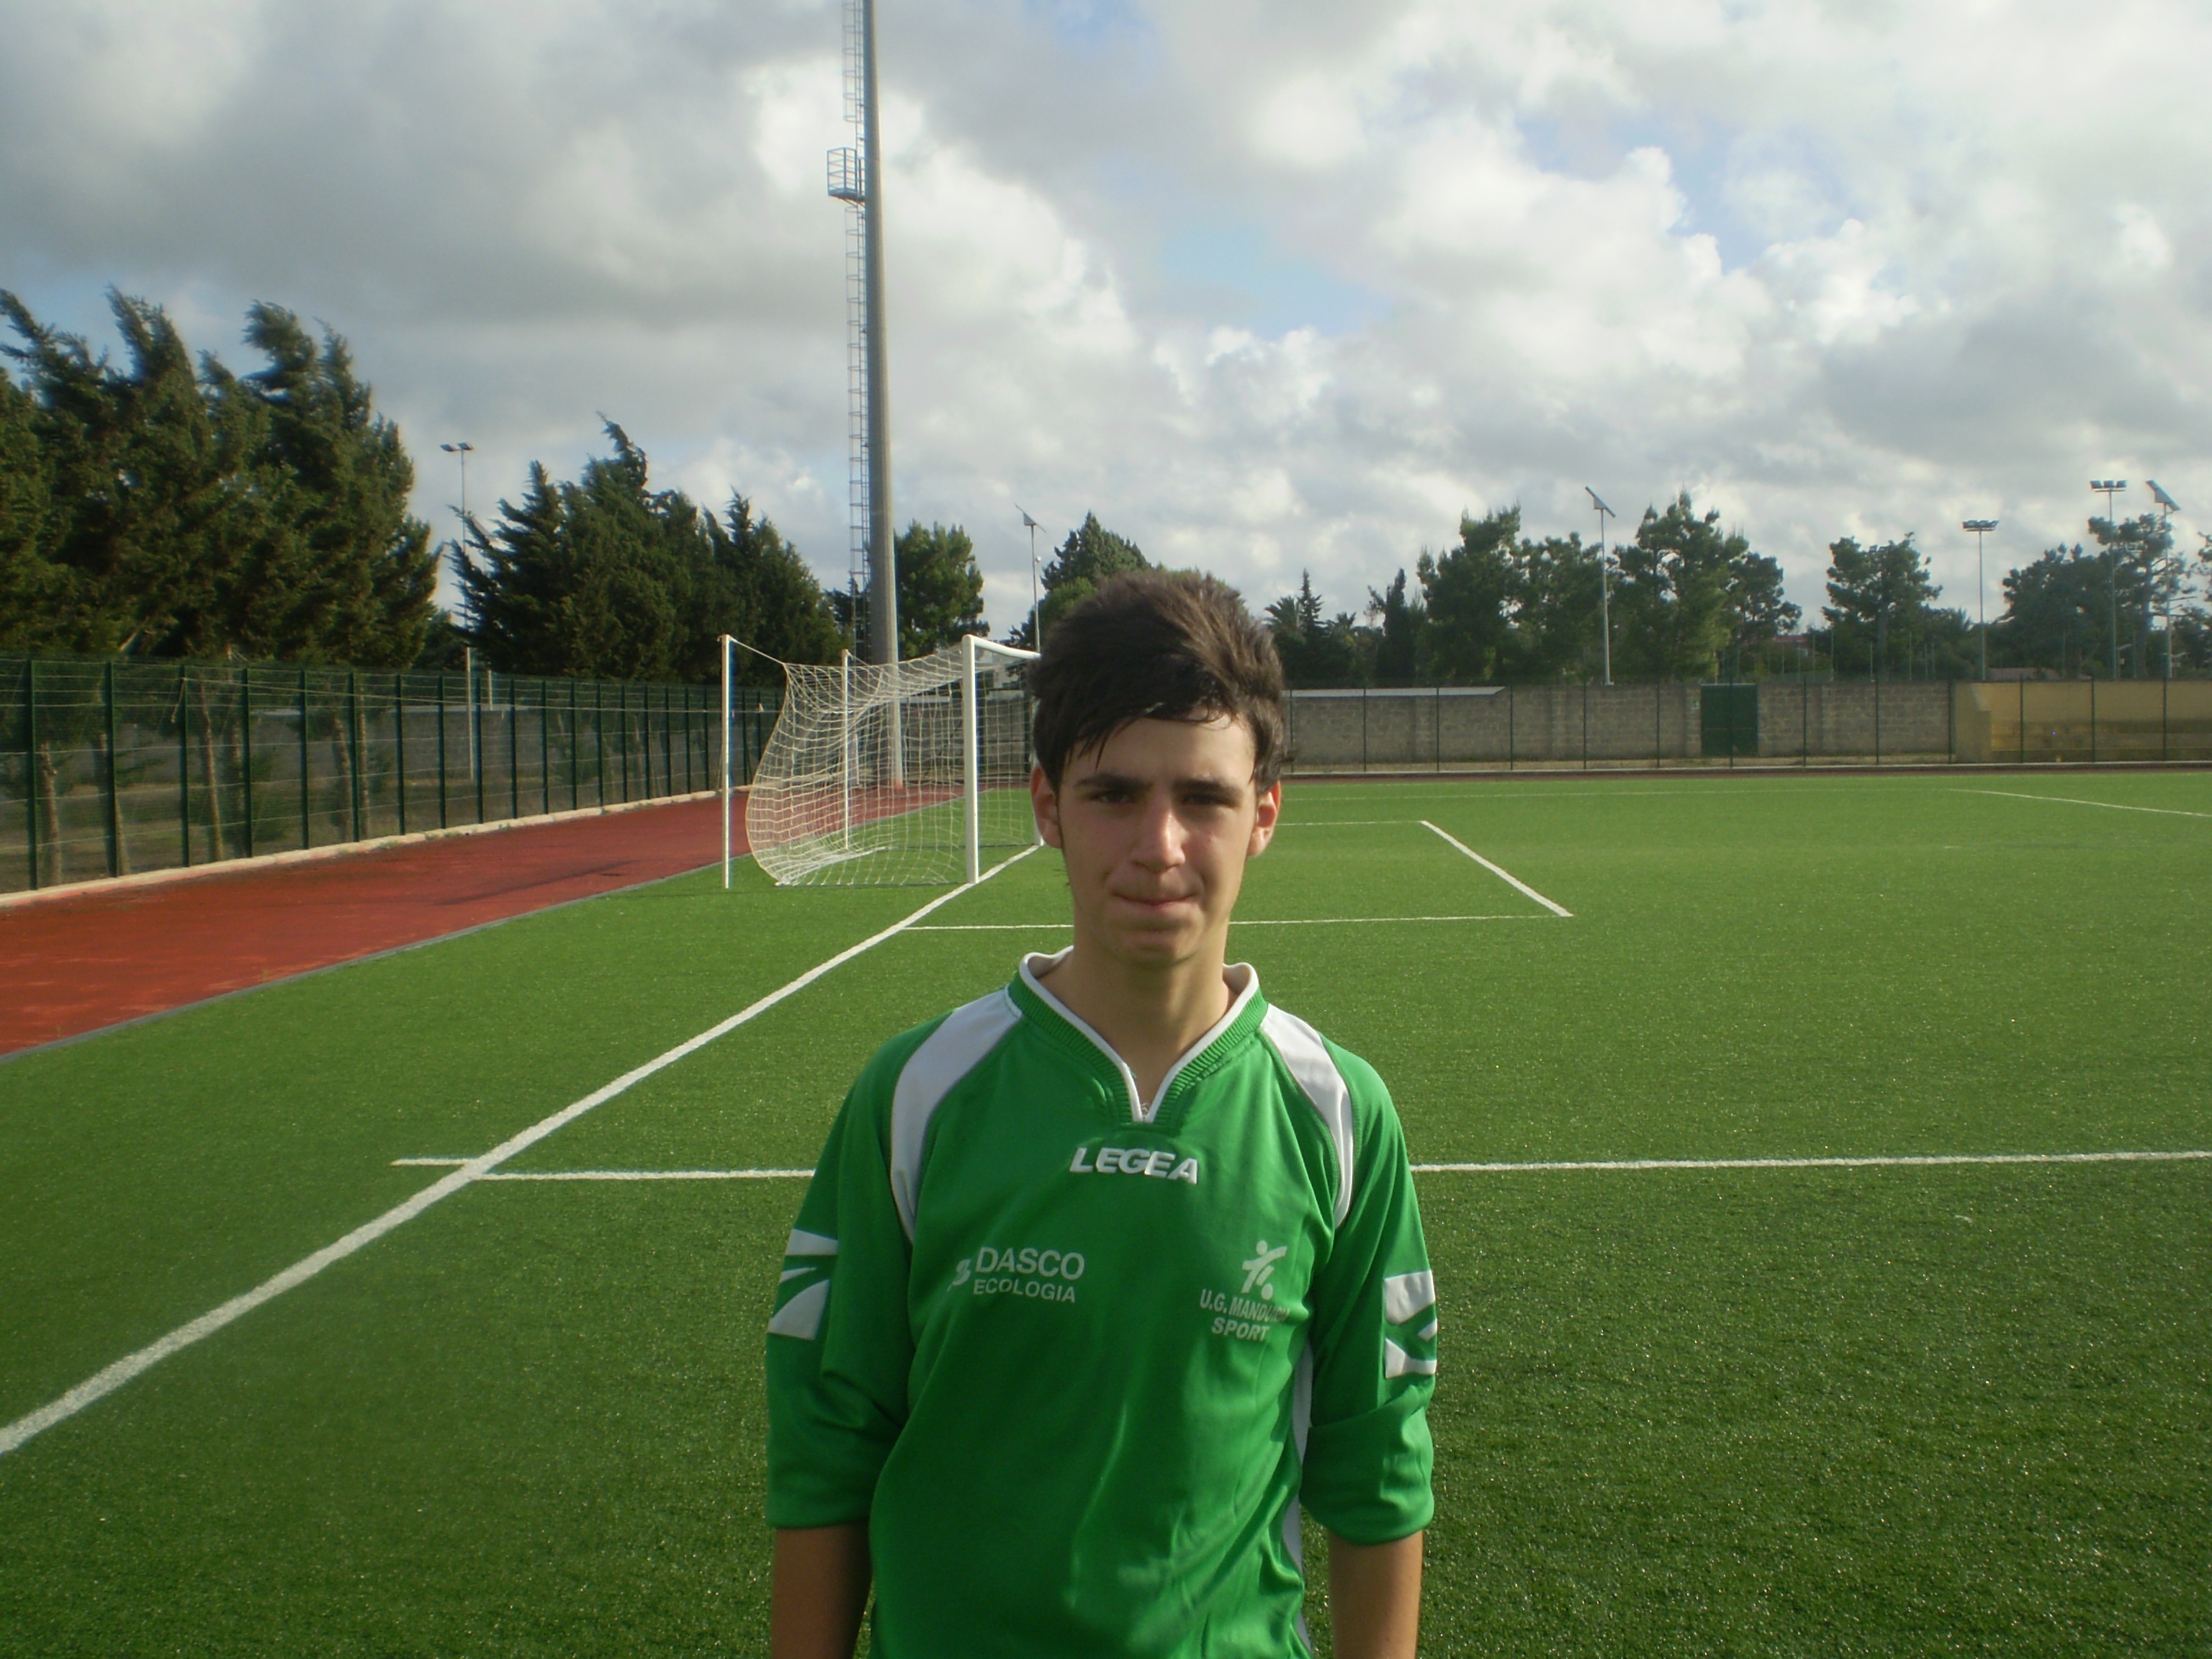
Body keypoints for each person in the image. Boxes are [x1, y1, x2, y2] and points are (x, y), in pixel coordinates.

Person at [765, 570, 1437, 1659]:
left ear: (1263, 816)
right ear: (1047, 808)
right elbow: (828, 1444)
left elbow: (1378, 1465)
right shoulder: (918, 1093)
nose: (1158, 846)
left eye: (1204, 799)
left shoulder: (1337, 1112)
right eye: (1114, 795)